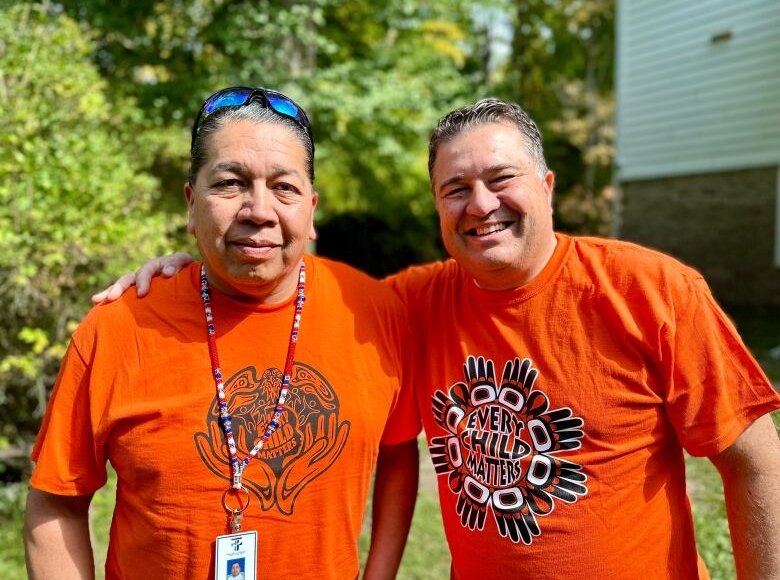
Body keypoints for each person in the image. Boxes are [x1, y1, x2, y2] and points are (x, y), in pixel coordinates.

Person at [96, 99, 780, 579]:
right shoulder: (408, 302)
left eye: (501, 178)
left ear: (546, 186)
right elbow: (279, 279)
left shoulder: (652, 290)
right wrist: (192, 272)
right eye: (455, 188)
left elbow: (755, 460)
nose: (479, 204)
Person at [24, 86, 419, 580]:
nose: (258, 209)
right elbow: (56, 502)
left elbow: (399, 450)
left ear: (312, 209)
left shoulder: (376, 313)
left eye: (285, 187)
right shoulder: (118, 327)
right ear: (191, 205)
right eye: (230, 183)